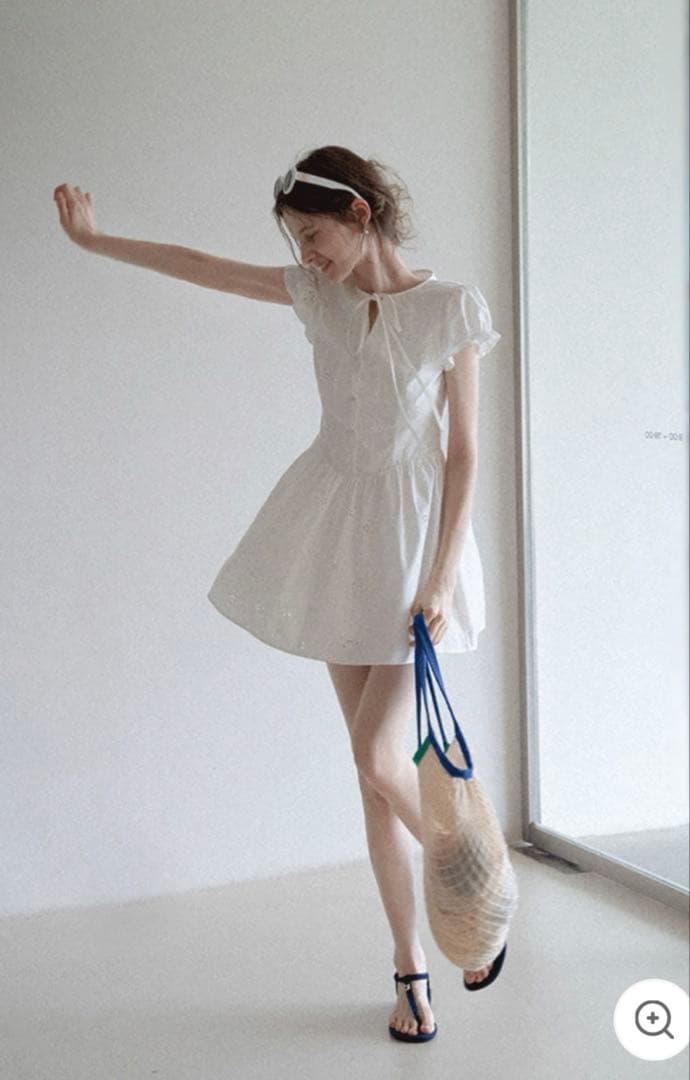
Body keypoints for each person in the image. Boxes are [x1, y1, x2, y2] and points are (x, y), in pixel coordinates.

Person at [53, 145, 503, 1043]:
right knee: (372, 781)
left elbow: (463, 453)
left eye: (312, 234)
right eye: (295, 240)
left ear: (360, 214)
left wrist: (442, 574)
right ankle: (411, 969)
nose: (306, 254)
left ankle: (479, 888)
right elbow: (201, 266)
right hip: (335, 537)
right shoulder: (315, 296)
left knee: (378, 758)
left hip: (412, 542)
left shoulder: (451, 308)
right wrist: (97, 243)